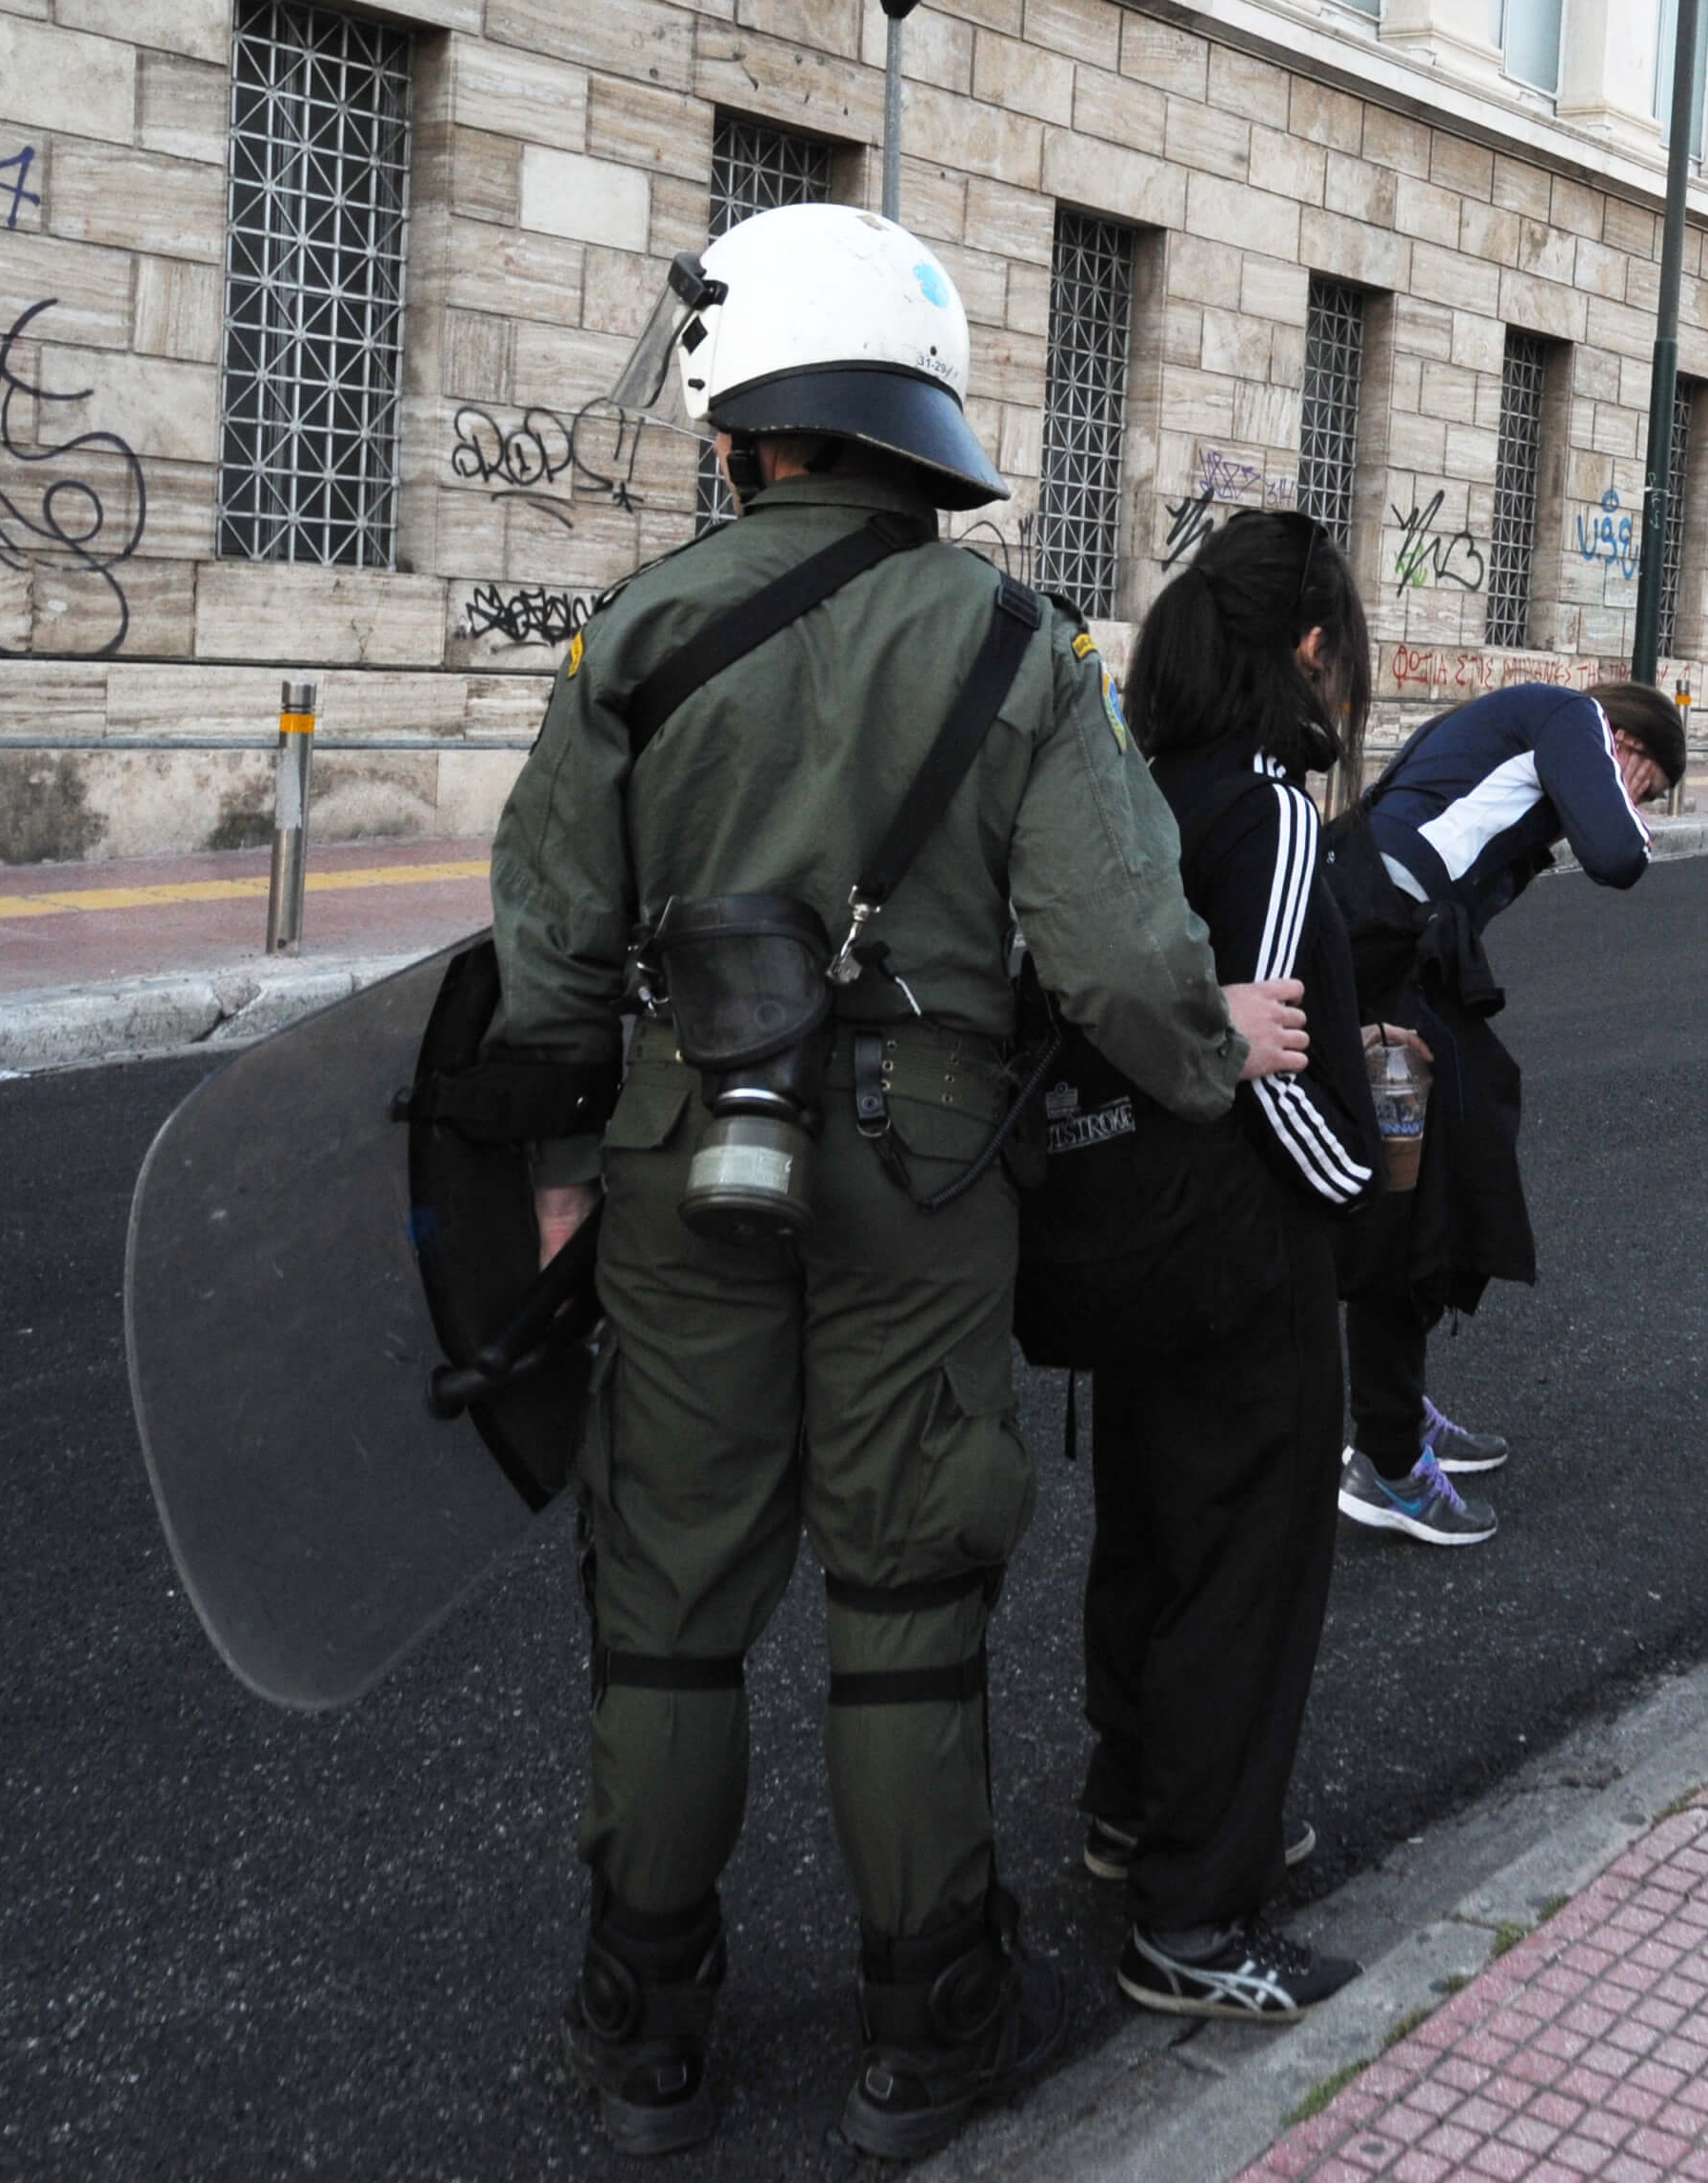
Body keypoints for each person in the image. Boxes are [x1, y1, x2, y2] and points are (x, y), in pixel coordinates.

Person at [488, 205, 1311, 2162]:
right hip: (925, 1179)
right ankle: (923, 2027)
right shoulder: (1018, 645)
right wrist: (1217, 1054)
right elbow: (1117, 953)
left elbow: (544, 949)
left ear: (741, 417)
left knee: (670, 1601)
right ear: (913, 416)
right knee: (908, 1592)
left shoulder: (635, 634)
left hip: (679, 1159)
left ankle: (644, 2030)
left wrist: (555, 1178)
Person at [1078, 510, 1382, 2021]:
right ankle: (1196, 1913)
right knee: (1245, 1576)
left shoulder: (1161, 786)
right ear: (1313, 650)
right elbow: (1255, 1042)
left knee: (1151, 1540)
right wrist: (1351, 1200)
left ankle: (1137, 1814)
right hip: (1240, 1253)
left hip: (1143, 1241)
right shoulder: (1265, 803)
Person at [1326, 678, 1683, 1547]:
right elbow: (1619, 854)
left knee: (1454, 1139)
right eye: (1652, 787)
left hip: (1387, 940)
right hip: (1379, 940)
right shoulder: (1571, 721)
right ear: (1626, 748)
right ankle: (1388, 1459)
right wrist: (1613, 793)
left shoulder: (1526, 727)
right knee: (1410, 1184)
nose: (1645, 805)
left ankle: (1398, 1415)